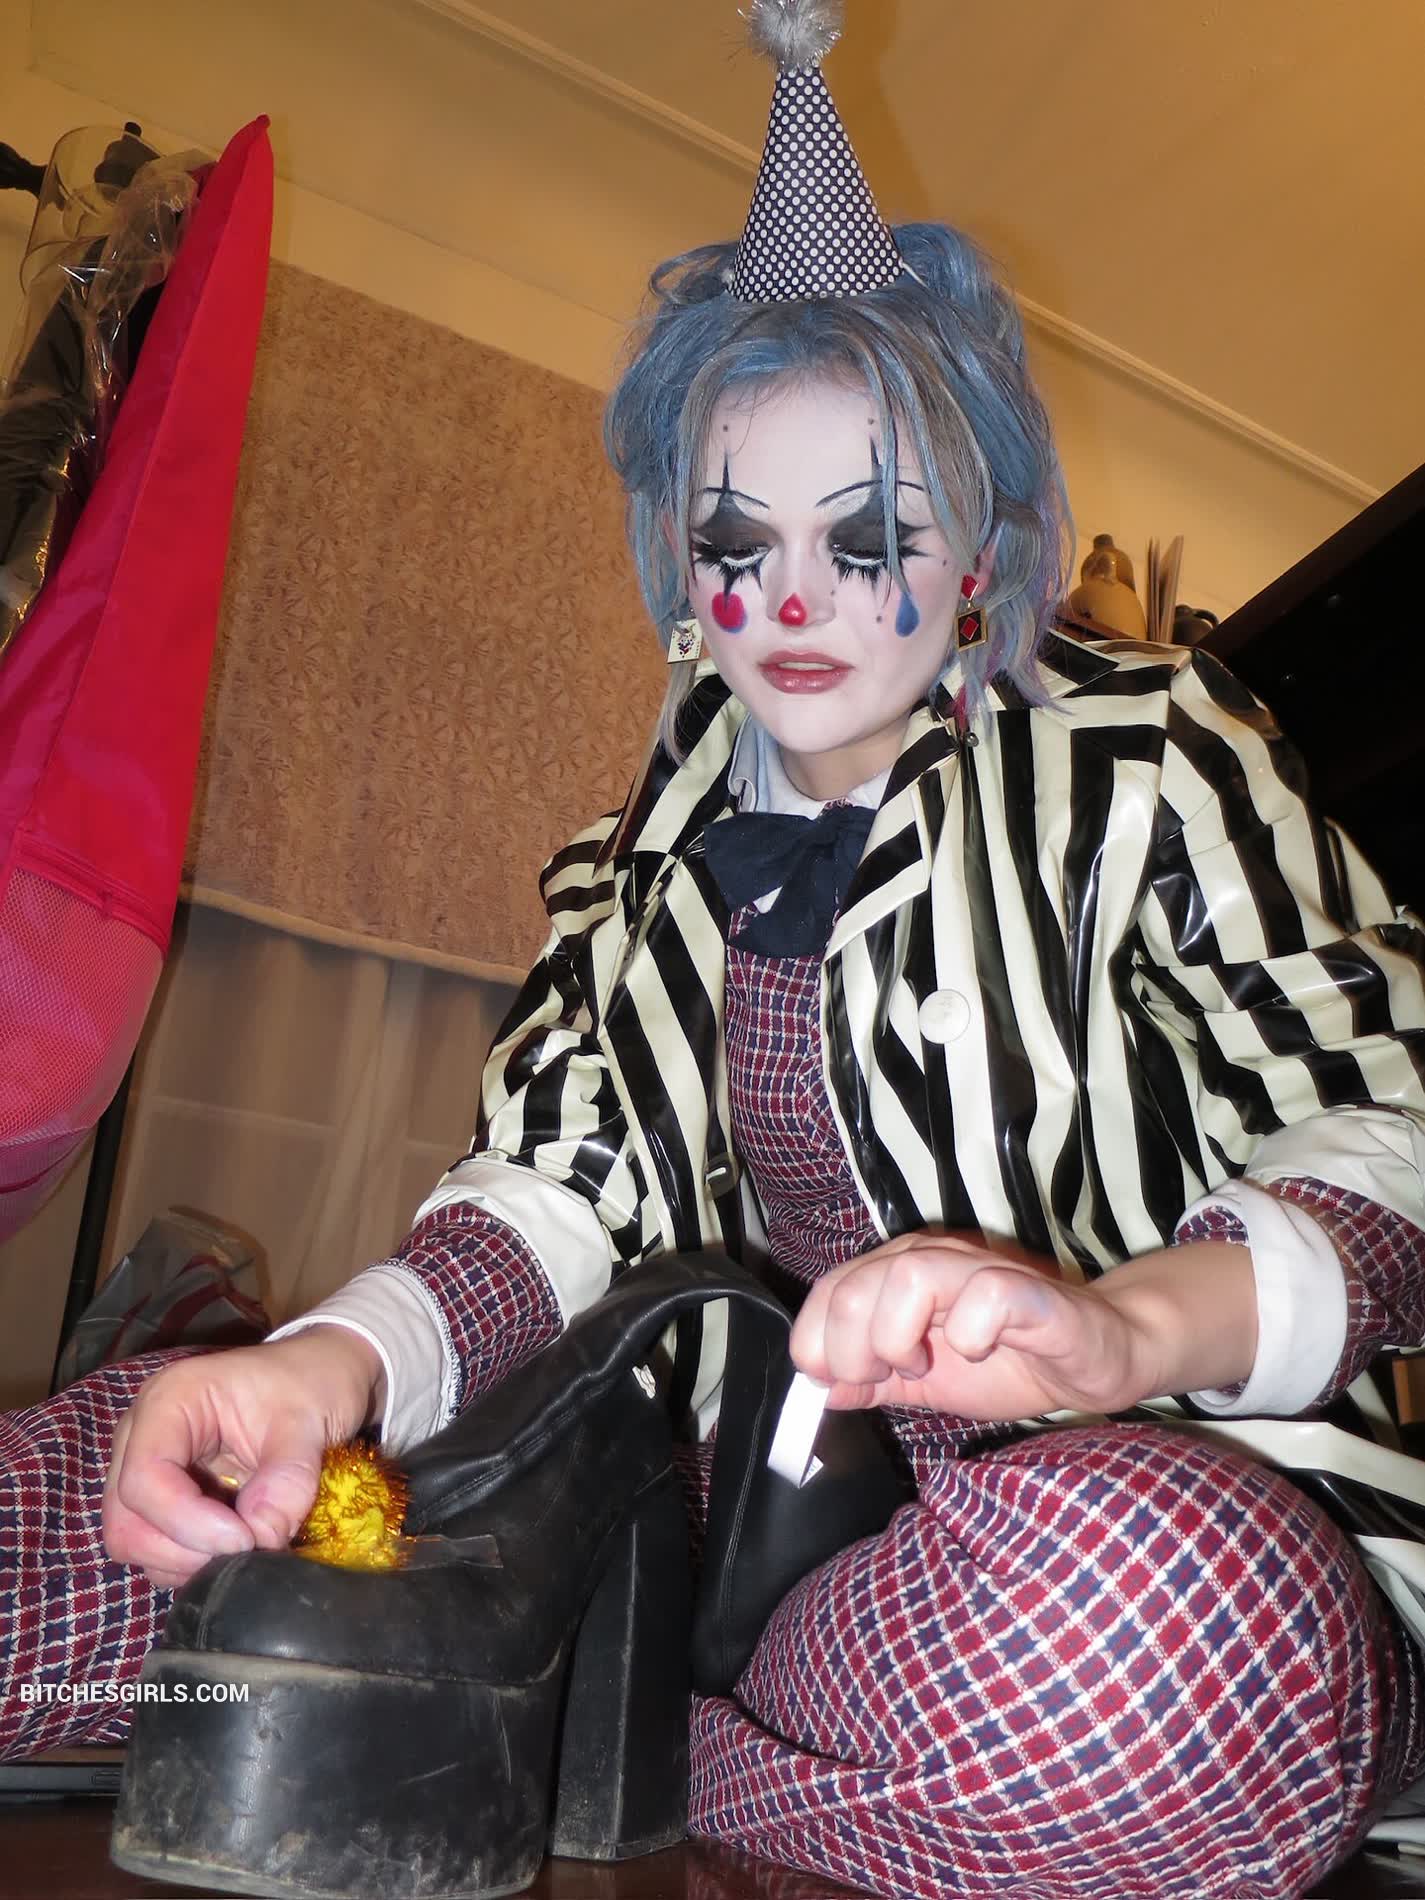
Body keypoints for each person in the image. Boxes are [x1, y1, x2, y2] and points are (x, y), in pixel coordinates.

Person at [5, 4, 1425, 1895]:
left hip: (1122, 1531)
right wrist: (329, 1365)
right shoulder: (631, 863)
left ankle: (553, 1740)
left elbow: (1390, 1130)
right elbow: (551, 1200)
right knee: (64, 1517)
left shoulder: (1151, 751)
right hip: (704, 1549)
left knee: (1159, 1655)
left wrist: (1117, 1329)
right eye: (738, 538)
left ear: (980, 551)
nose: (796, 595)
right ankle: (547, 1708)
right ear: (679, 568)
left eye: (872, 531)